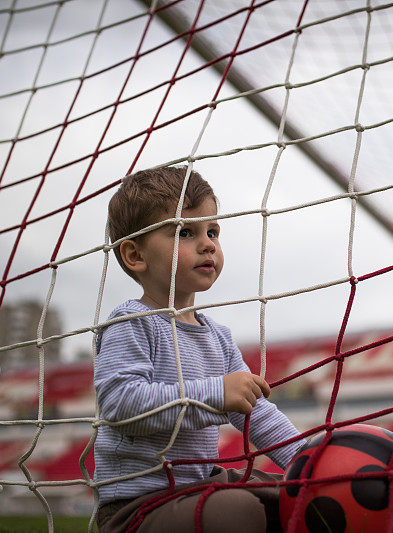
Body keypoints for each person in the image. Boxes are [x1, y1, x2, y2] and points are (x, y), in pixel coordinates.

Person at [94, 166, 305, 532]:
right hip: (137, 506)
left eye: (212, 231)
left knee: (292, 499)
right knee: (238, 513)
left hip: (200, 487)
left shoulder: (219, 338)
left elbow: (256, 413)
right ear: (134, 256)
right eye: (185, 232)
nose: (208, 243)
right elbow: (121, 404)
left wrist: (308, 463)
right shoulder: (131, 322)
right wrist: (217, 393)